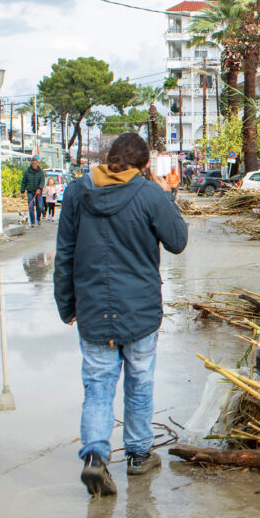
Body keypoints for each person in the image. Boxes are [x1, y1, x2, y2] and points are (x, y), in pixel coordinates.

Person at [53, 133, 188, 497]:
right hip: (140, 310)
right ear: (144, 166)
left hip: (93, 309)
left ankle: (96, 456)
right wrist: (166, 195)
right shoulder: (150, 194)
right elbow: (178, 241)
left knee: (98, 387)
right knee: (139, 383)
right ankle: (139, 454)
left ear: (109, 158)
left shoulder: (77, 192)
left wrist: (66, 305)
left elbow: (64, 253)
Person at [20, 156, 45, 227]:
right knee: (31, 207)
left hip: (38, 192)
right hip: (30, 192)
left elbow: (42, 181)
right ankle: (33, 222)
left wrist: (40, 188)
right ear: (31, 164)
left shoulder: (40, 172)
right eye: (32, 163)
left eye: (35, 163)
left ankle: (38, 218)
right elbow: (24, 182)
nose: (34, 165)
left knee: (39, 207)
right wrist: (22, 191)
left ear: (37, 163)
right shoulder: (27, 172)